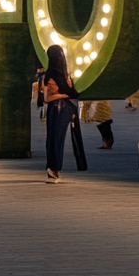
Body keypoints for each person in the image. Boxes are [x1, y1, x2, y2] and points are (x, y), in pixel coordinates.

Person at [42, 45, 86, 181]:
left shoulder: (49, 75)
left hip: (54, 109)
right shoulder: (66, 75)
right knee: (57, 138)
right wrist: (64, 95)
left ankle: (53, 167)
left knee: (52, 139)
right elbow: (72, 94)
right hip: (65, 109)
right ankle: (55, 168)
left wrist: (60, 95)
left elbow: (47, 98)